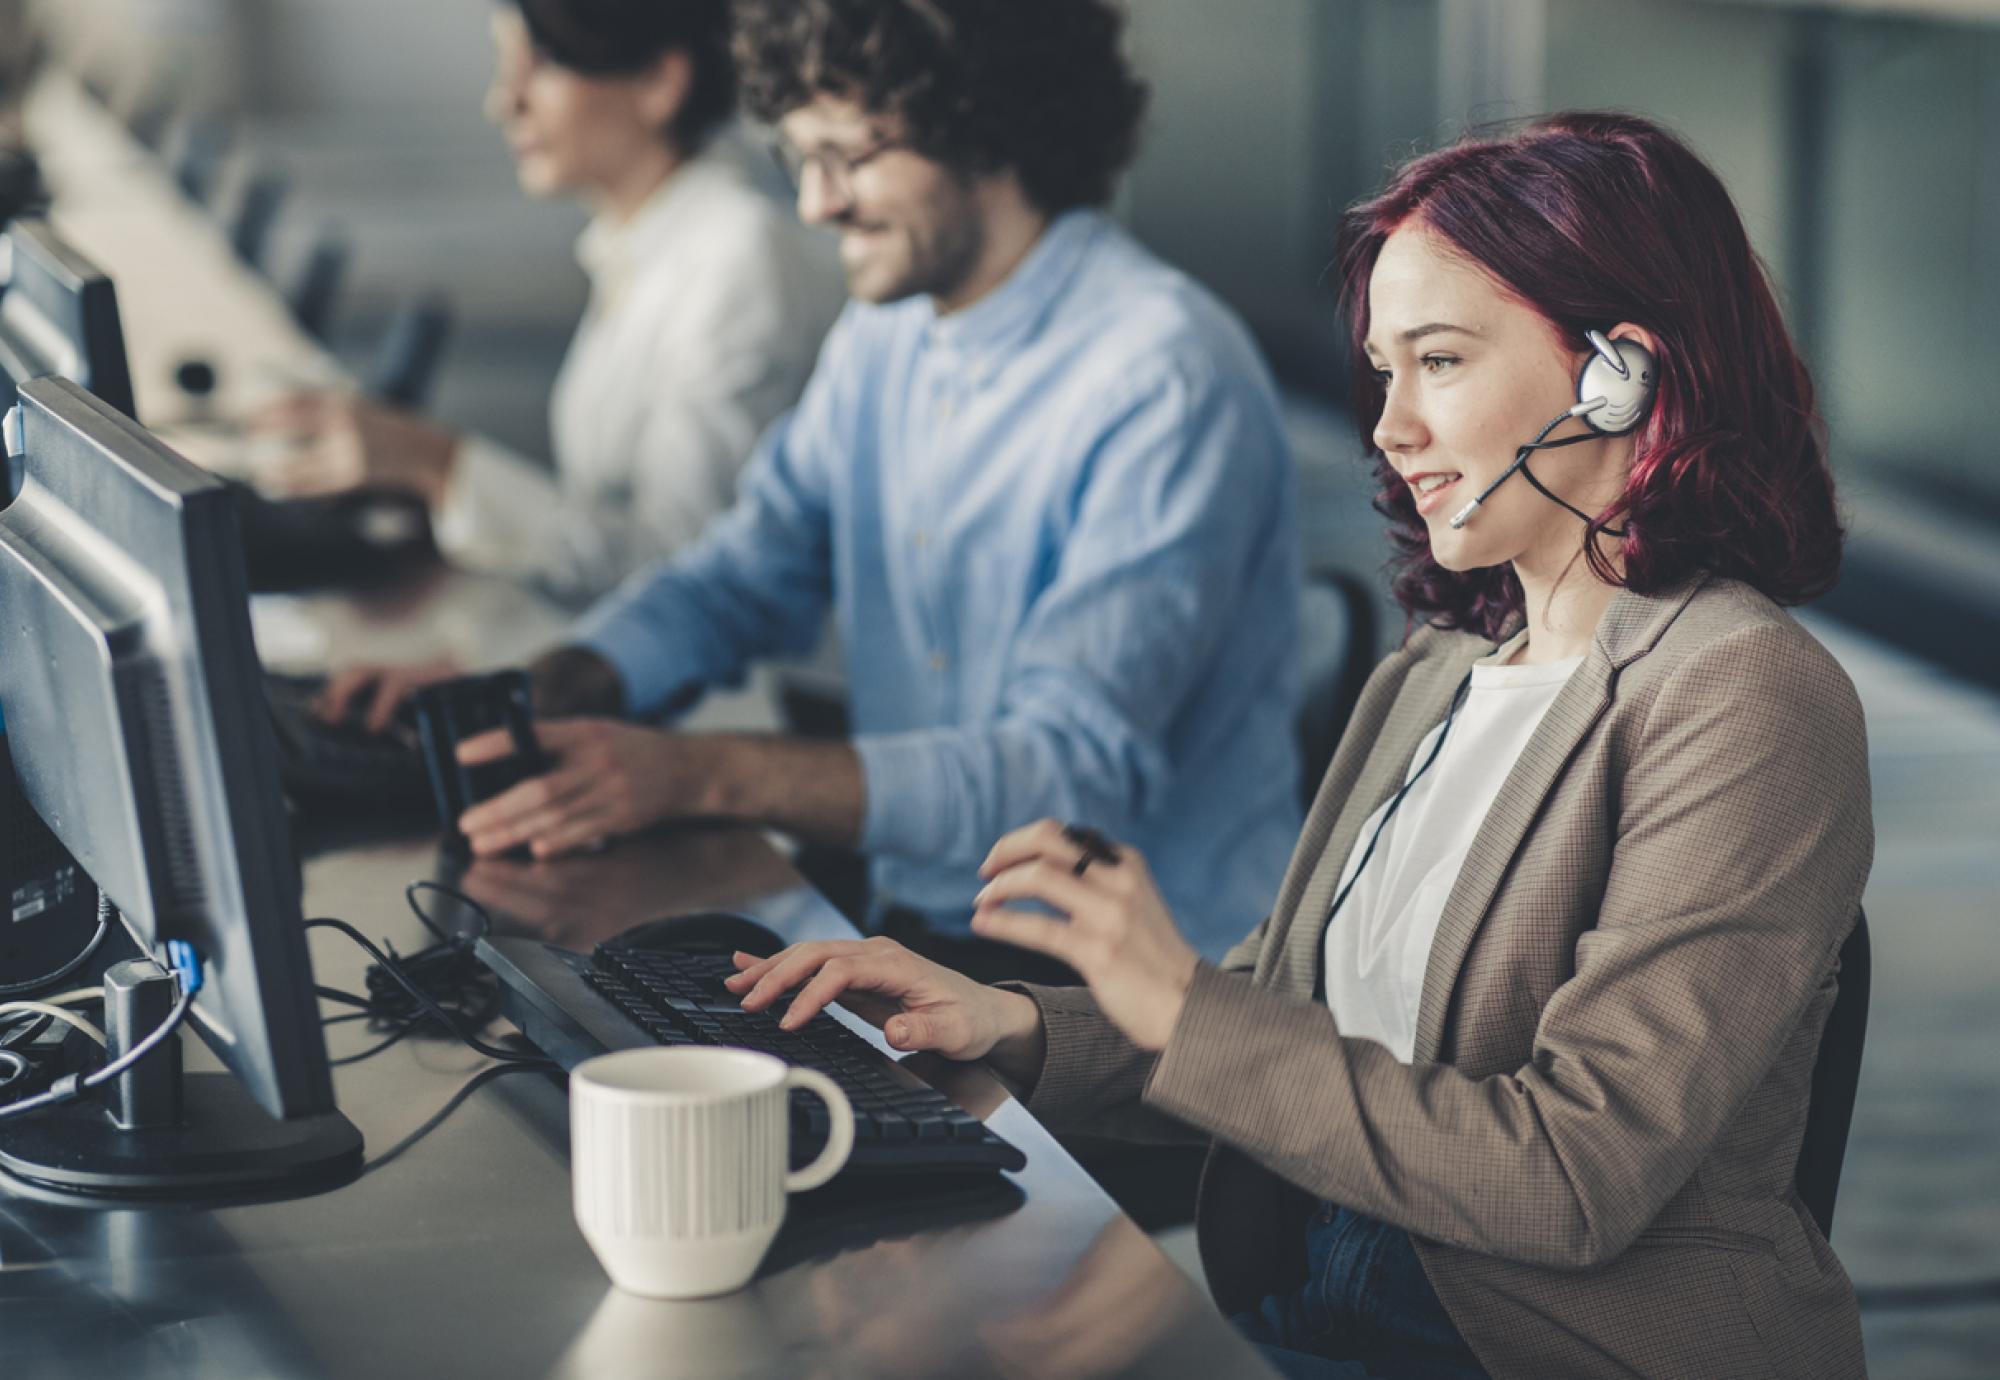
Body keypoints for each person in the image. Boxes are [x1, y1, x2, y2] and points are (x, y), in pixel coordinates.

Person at [723, 113, 1874, 1380]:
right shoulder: (1436, 671)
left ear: (1623, 376)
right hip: (1321, 1312)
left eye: (1436, 361)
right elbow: (1271, 1020)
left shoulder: (1742, 697)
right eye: (1383, 371)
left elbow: (1571, 1175)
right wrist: (1007, 1021)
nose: (1387, 426)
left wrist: (1177, 1001)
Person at [326, 0, 1304, 970]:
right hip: (929, 923)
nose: (816, 204)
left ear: (990, 124)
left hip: (1132, 996)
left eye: (851, 157)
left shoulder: (1161, 375)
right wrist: (539, 692)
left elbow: (1060, 777)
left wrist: (696, 776)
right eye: (803, 160)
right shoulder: (889, 333)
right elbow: (740, 577)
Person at [253, 0, 842, 604]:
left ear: (660, 82)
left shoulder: (739, 261)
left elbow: (686, 573)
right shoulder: (640, 242)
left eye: (541, 65)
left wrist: (446, 467)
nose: (504, 101)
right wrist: (423, 481)